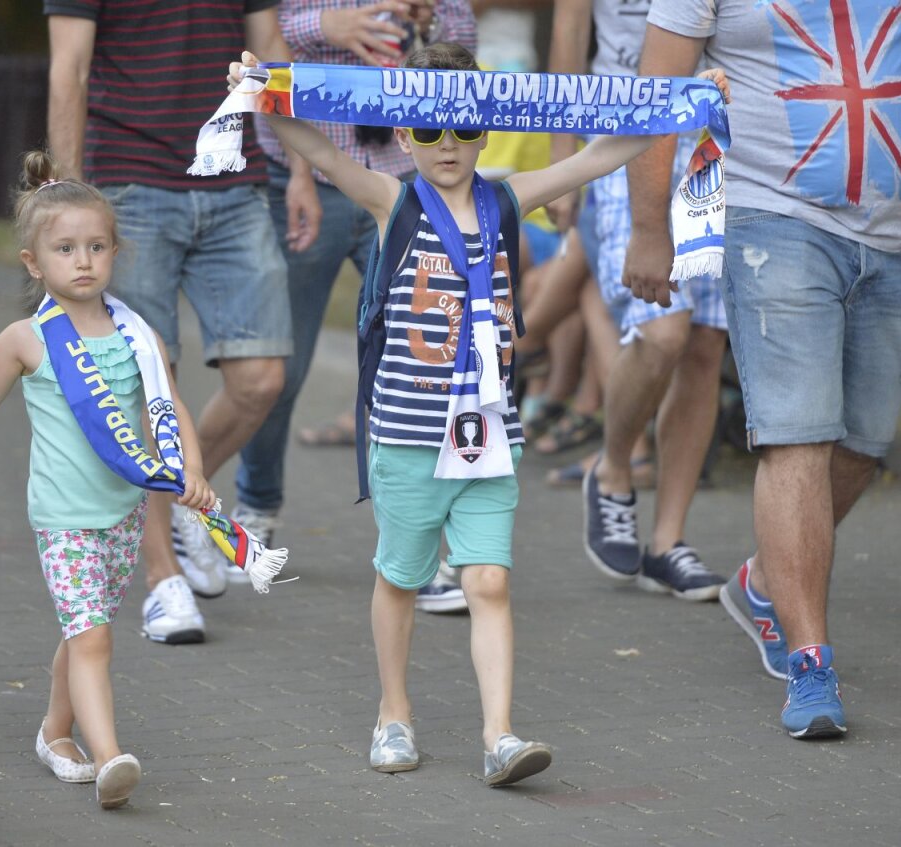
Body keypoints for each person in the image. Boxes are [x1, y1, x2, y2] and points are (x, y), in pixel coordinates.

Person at [229, 43, 729, 783]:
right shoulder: (393, 199)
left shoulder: (506, 199)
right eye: (429, 130)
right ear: (405, 135)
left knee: (488, 581)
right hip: (406, 436)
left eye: (463, 128)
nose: (447, 145)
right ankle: (393, 713)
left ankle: (500, 734)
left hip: (490, 434)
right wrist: (259, 90)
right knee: (401, 578)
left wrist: (686, 104)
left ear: (485, 131)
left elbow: (598, 157)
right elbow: (320, 151)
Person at [625, 0, 901, 738]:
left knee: (863, 445)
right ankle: (810, 660)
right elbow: (656, 92)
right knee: (797, 437)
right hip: (772, 218)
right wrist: (648, 227)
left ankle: (764, 579)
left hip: (897, 231)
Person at [0, 152, 217, 808]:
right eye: (65, 249)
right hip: (63, 518)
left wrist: (193, 468)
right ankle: (111, 755)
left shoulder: (137, 333)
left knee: (81, 629)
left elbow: (171, 406)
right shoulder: (26, 338)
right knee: (94, 635)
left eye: (96, 246)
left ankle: (54, 732)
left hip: (122, 512)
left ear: (115, 251)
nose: (83, 261)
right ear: (34, 262)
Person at [44, 0, 319, 633]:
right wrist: (70, 199)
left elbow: (270, 49)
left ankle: (182, 505)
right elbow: (70, 68)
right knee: (146, 384)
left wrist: (300, 168)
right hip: (129, 180)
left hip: (232, 177)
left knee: (262, 379)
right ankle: (162, 579)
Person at [235, 0, 476, 611]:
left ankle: (421, 550)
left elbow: (464, 46)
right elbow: (264, 31)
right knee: (280, 365)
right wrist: (327, 26)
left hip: (407, 179)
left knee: (426, 364)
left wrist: (429, 24)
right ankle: (256, 509)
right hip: (309, 172)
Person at [547, 0, 729, 602]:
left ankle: (668, 541)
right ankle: (614, 465)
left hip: (715, 134)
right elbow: (570, 27)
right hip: (622, 129)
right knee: (662, 331)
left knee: (704, 344)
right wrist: (561, 157)